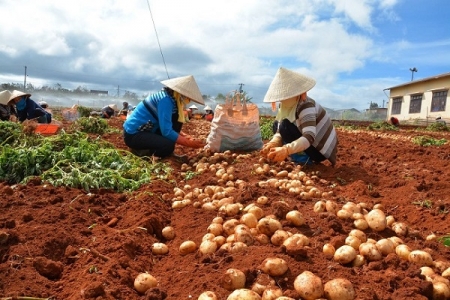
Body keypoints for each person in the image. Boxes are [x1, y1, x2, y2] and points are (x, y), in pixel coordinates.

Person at [260, 67, 338, 166]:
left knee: (285, 126)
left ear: (295, 94)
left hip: (319, 149)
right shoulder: (284, 106)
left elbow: (309, 136)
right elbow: (279, 129)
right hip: (309, 144)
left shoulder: (306, 105)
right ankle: (295, 154)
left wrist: (286, 149)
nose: (283, 100)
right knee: (277, 124)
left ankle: (303, 158)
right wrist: (274, 142)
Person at [123, 75, 205, 158]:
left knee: (174, 124)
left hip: (147, 129)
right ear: (179, 93)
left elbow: (168, 124)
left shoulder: (171, 100)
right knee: (167, 146)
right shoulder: (165, 100)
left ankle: (166, 153)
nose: (187, 100)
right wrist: (190, 144)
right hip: (134, 134)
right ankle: (139, 152)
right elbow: (167, 131)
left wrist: (185, 136)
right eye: (187, 97)